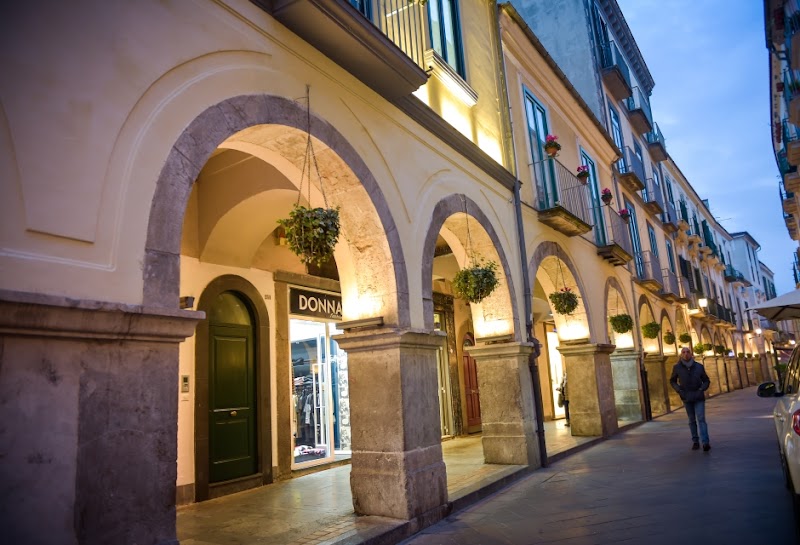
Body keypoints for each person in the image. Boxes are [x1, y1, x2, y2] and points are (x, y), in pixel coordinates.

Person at [670, 346, 711, 451]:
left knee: (701, 419)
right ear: (681, 354)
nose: (686, 354)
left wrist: (702, 389)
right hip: (686, 397)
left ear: (691, 354)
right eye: (683, 352)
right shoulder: (677, 367)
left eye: (688, 352)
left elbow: (706, 380)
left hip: (698, 396)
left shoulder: (699, 367)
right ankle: (695, 441)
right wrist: (679, 390)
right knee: (691, 420)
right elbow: (673, 381)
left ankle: (705, 442)